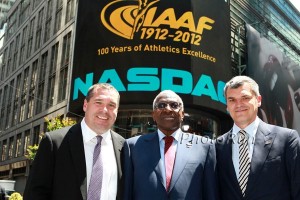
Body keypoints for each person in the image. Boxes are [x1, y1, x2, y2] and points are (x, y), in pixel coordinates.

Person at [23, 83, 125, 200]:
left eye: (111, 105)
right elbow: (34, 194)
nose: (105, 110)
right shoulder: (55, 142)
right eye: (98, 102)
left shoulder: (124, 147)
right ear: (85, 105)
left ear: (117, 111)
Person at [122, 90, 218, 200]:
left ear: (182, 114)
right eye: (161, 105)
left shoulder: (205, 146)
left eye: (174, 105)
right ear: (153, 115)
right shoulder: (132, 146)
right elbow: (127, 192)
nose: (167, 109)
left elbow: (211, 193)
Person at [216, 75, 300, 200]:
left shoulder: (287, 139)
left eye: (245, 98)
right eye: (232, 100)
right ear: (227, 106)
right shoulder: (217, 146)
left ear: (258, 100)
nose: (238, 104)